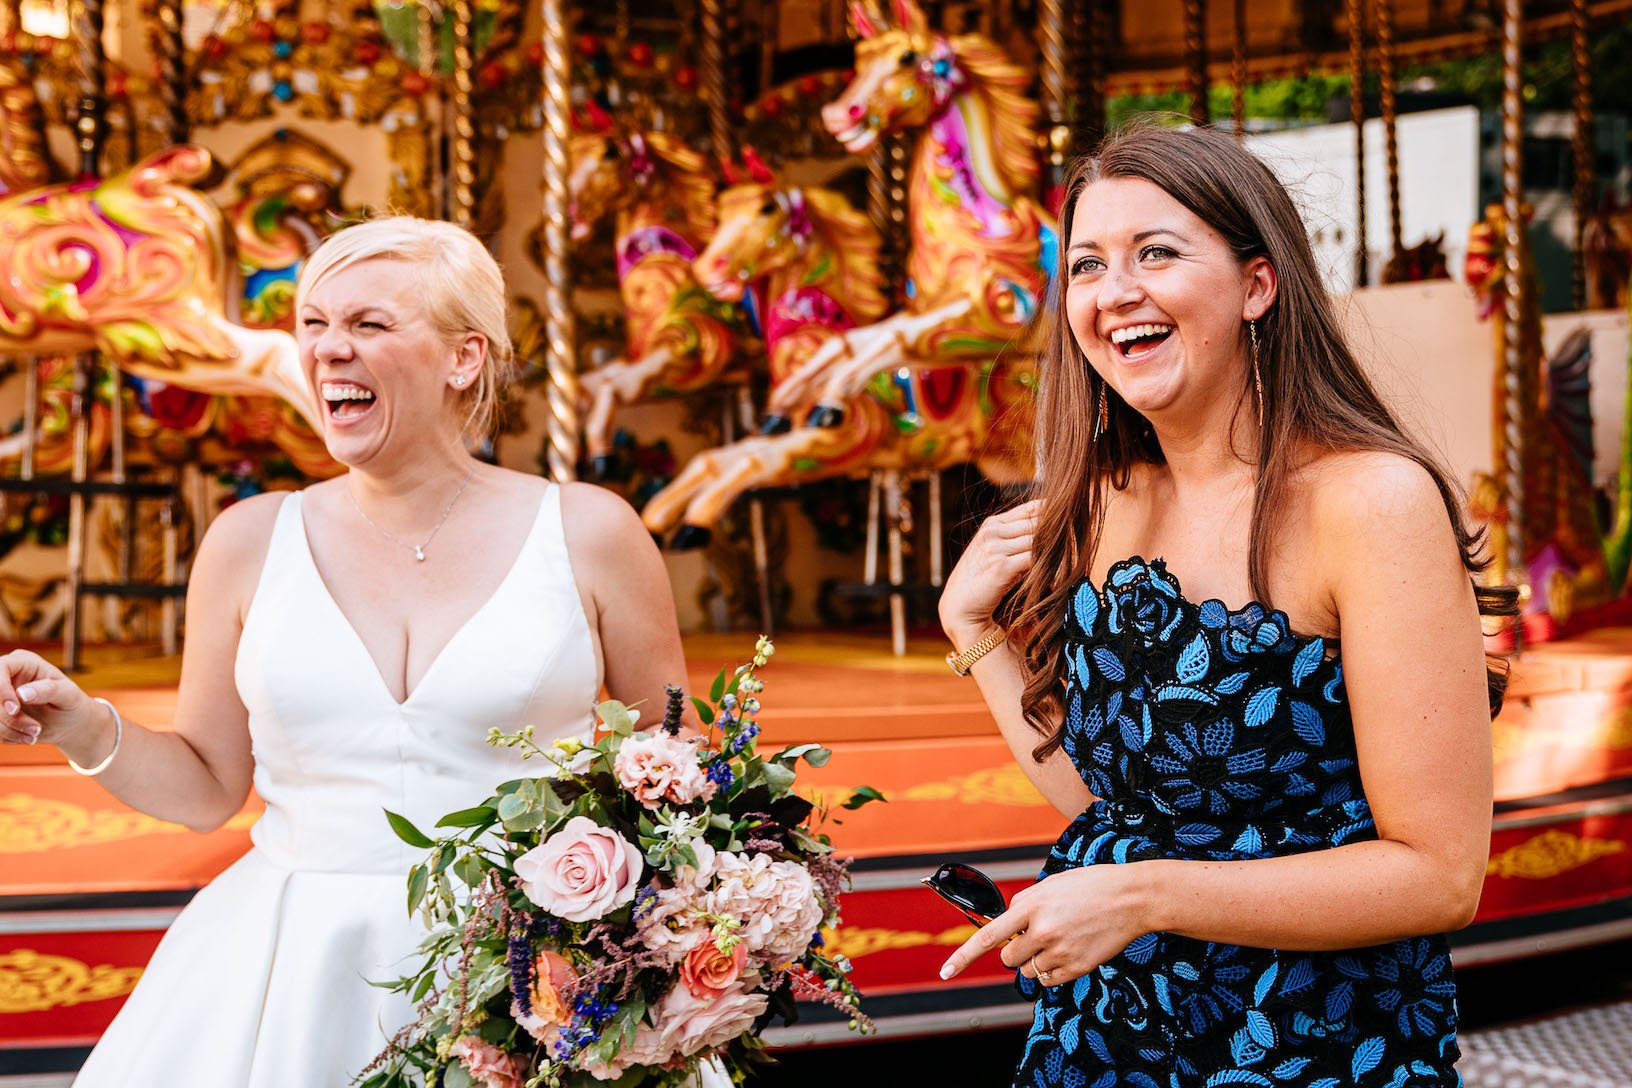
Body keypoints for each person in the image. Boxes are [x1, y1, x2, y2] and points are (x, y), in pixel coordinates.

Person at [0, 217, 692, 1086]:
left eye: (368, 325)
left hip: (530, 976)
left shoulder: (589, 531)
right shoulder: (248, 541)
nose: (329, 351)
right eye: (314, 325)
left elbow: (682, 781)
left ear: (463, 358)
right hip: (289, 970)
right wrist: (83, 725)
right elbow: (208, 788)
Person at [935, 126, 1515, 1087]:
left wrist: (1142, 897)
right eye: (1087, 264)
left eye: (1156, 252)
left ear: (1258, 285)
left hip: (1312, 1042)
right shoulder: (1110, 501)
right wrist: (974, 632)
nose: (1115, 290)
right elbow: (1107, 809)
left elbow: (1440, 873)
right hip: (1109, 1038)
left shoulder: (1369, 502)